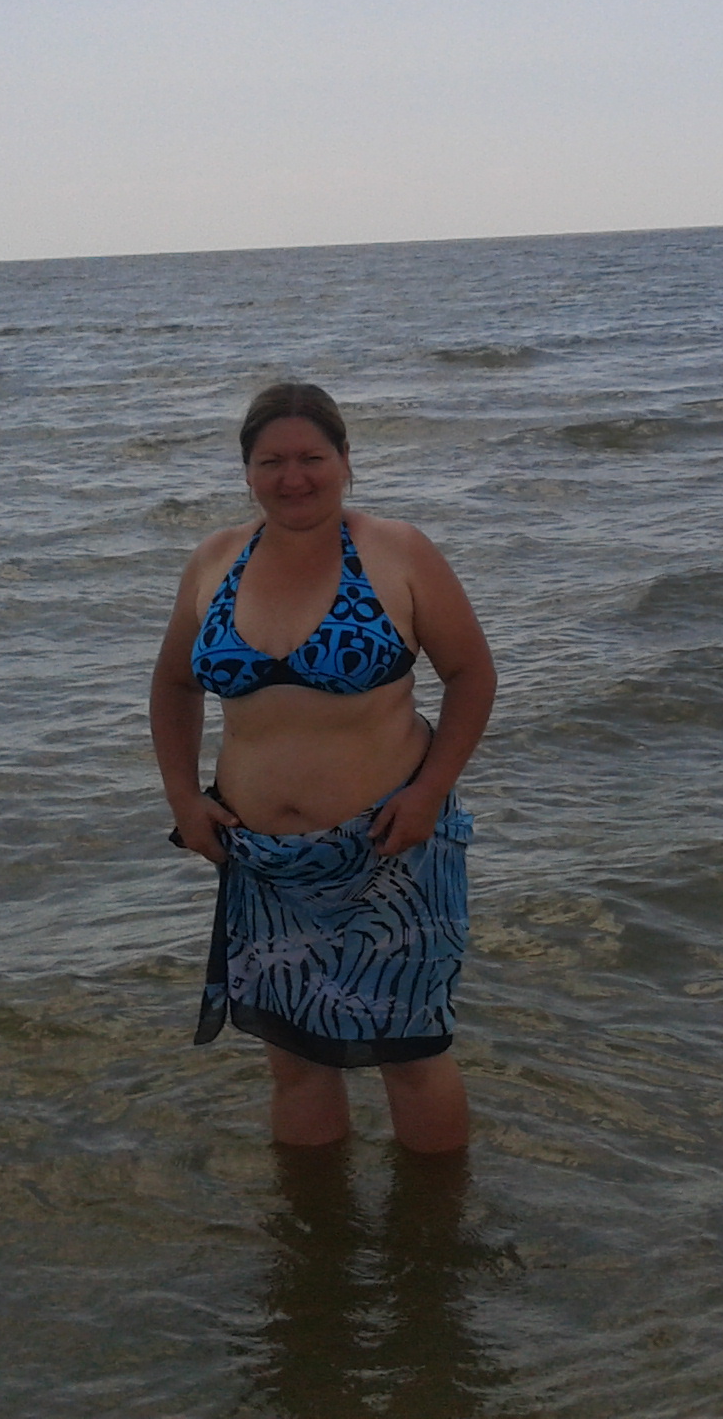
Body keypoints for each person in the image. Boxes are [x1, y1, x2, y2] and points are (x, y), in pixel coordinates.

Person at [150, 381, 496, 1154]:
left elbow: (472, 675)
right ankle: (311, 1222)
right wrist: (183, 799)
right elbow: (173, 684)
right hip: (264, 865)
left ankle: (436, 1223)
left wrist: (429, 794)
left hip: (392, 850)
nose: (293, 477)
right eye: (271, 461)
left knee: (411, 1055)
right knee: (295, 1061)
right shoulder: (214, 560)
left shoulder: (397, 552)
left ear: (345, 460)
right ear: (247, 471)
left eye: (311, 457)